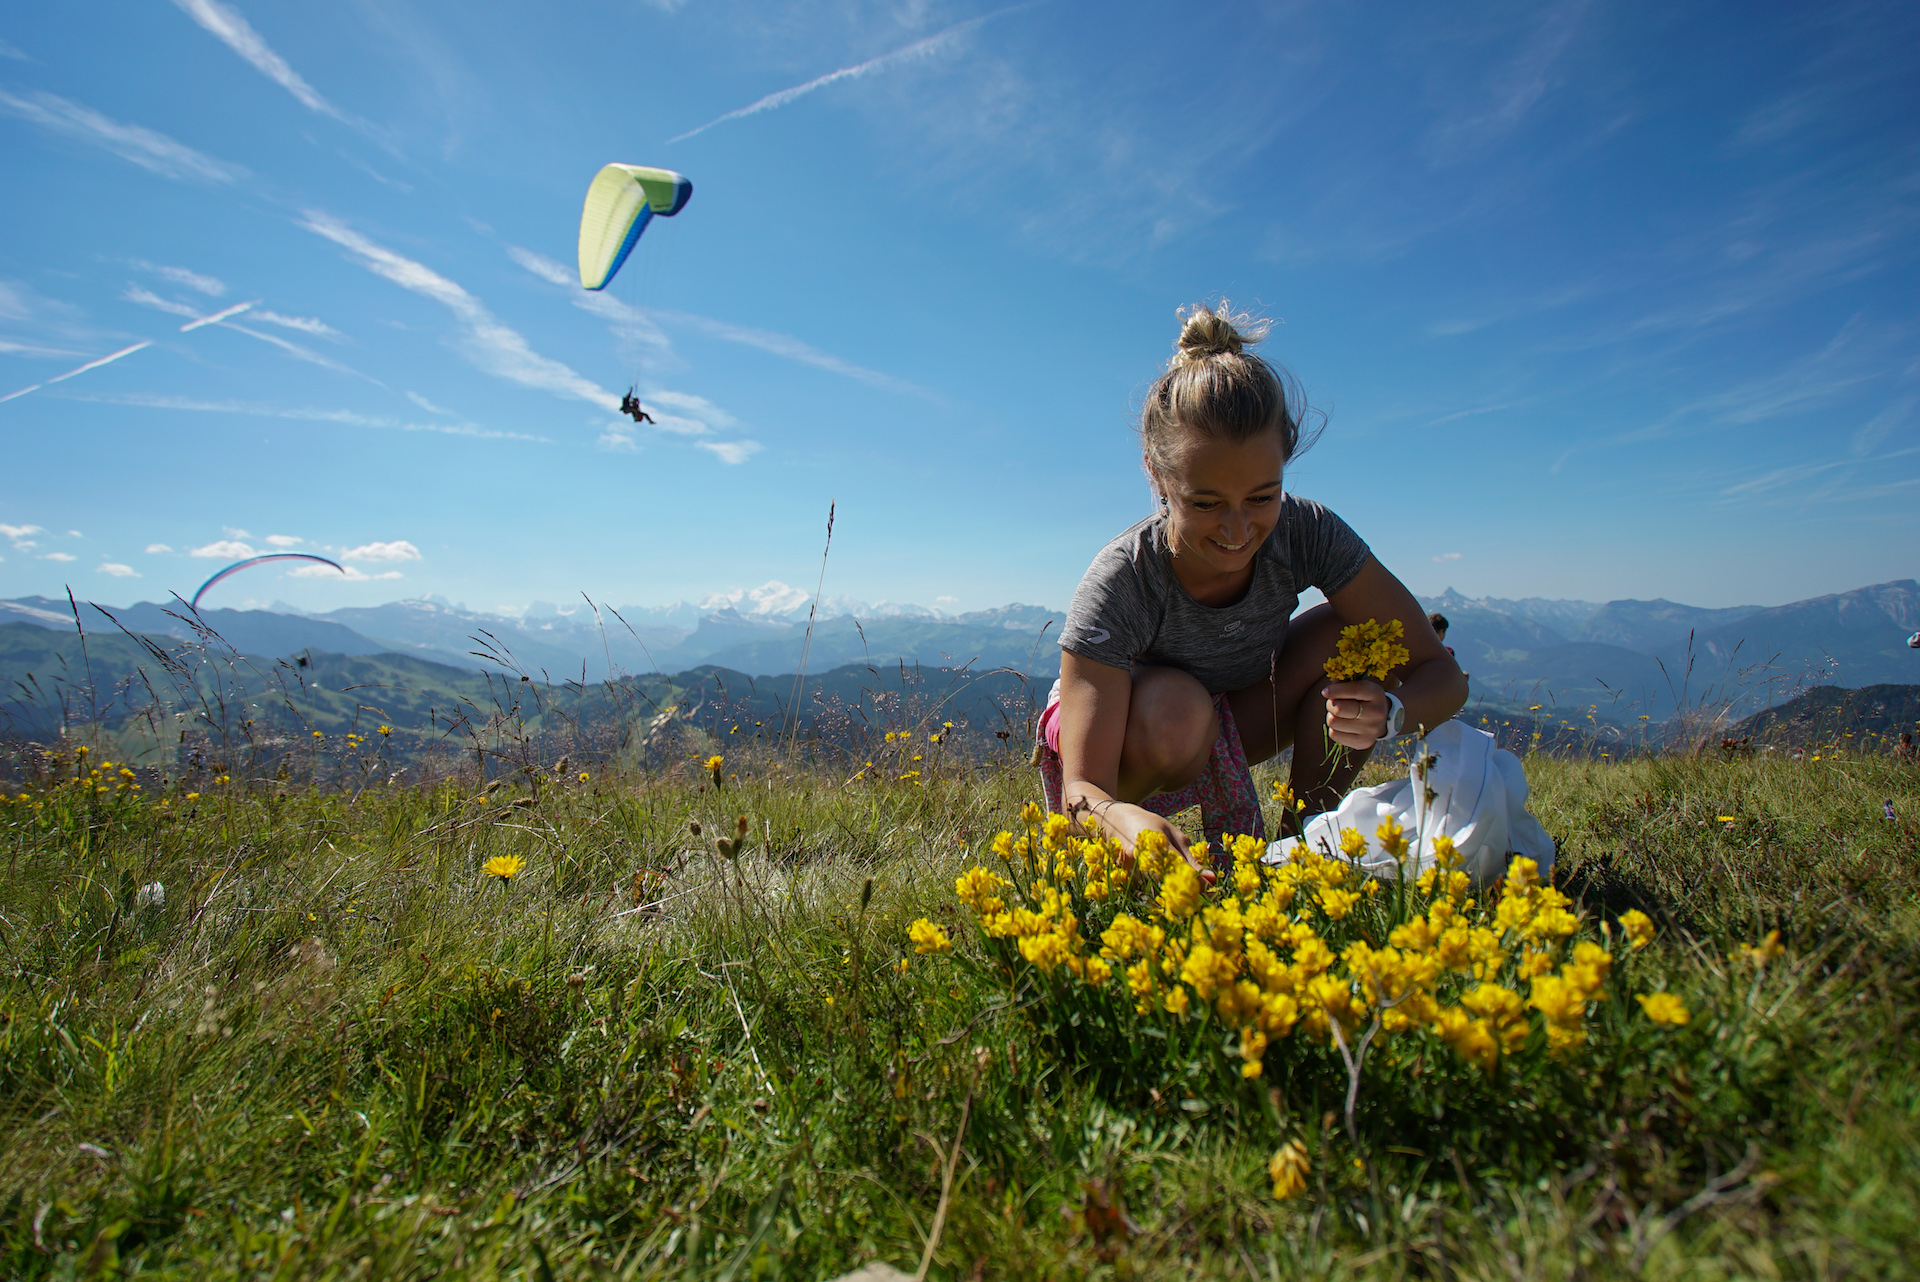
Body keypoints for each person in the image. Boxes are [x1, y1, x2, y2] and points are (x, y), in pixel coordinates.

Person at [1037, 302, 1466, 863]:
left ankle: (1307, 846)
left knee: (1353, 637)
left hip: (1230, 717)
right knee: (1179, 708)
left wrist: (1390, 712)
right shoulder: (1122, 581)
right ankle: (1144, 841)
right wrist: (1112, 815)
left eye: (1262, 497)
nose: (1239, 530)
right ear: (1156, 474)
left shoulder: (1306, 533)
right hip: (1130, 738)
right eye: (1206, 502)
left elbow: (1443, 676)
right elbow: (1080, 792)